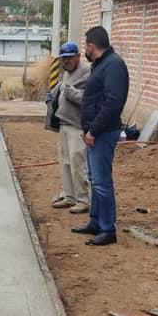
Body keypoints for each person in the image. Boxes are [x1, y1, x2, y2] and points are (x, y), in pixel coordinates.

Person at [71, 26, 129, 246]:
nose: (84, 48)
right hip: (94, 132)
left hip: (102, 133)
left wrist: (94, 130)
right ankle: (95, 221)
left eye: (85, 45)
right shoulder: (101, 64)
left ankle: (108, 228)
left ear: (91, 46)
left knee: (102, 182)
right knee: (95, 180)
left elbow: (113, 102)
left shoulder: (113, 65)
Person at [46, 42, 92, 214]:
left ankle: (83, 199)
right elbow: (62, 89)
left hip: (77, 125)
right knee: (65, 162)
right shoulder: (66, 72)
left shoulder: (88, 72)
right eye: (64, 59)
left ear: (78, 56)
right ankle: (70, 196)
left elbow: (88, 98)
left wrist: (69, 92)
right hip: (64, 123)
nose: (66, 62)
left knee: (77, 162)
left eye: (70, 58)